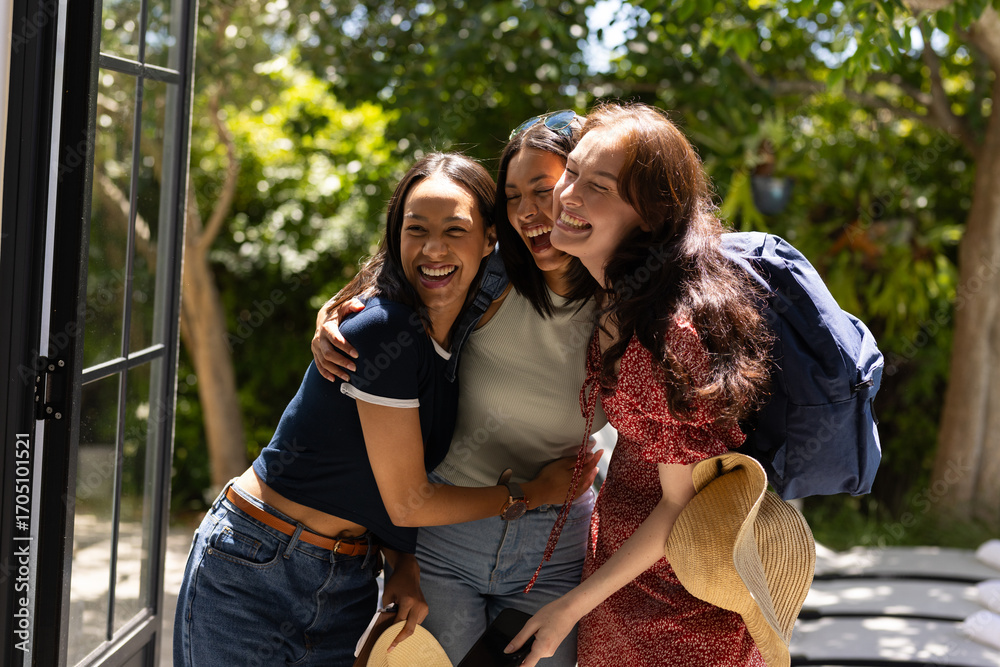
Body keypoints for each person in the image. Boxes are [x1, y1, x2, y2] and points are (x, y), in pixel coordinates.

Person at [174, 153, 598, 667]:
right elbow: (407, 503)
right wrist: (532, 493)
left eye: (454, 230)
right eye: (415, 229)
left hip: (348, 576)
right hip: (257, 562)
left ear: (490, 239)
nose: (433, 249)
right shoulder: (384, 329)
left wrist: (402, 562)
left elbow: (386, 483)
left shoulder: (448, 348)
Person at [312, 111, 607, 666]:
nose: (527, 213)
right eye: (512, 197)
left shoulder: (623, 300)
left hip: (555, 547)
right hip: (448, 533)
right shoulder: (491, 278)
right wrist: (332, 313)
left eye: (543, 190)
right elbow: (410, 271)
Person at [504, 102, 775, 666]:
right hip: (625, 585)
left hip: (677, 608)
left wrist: (569, 608)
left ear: (650, 214)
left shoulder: (666, 333)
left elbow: (679, 506)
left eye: (597, 185)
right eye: (571, 172)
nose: (567, 195)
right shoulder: (622, 294)